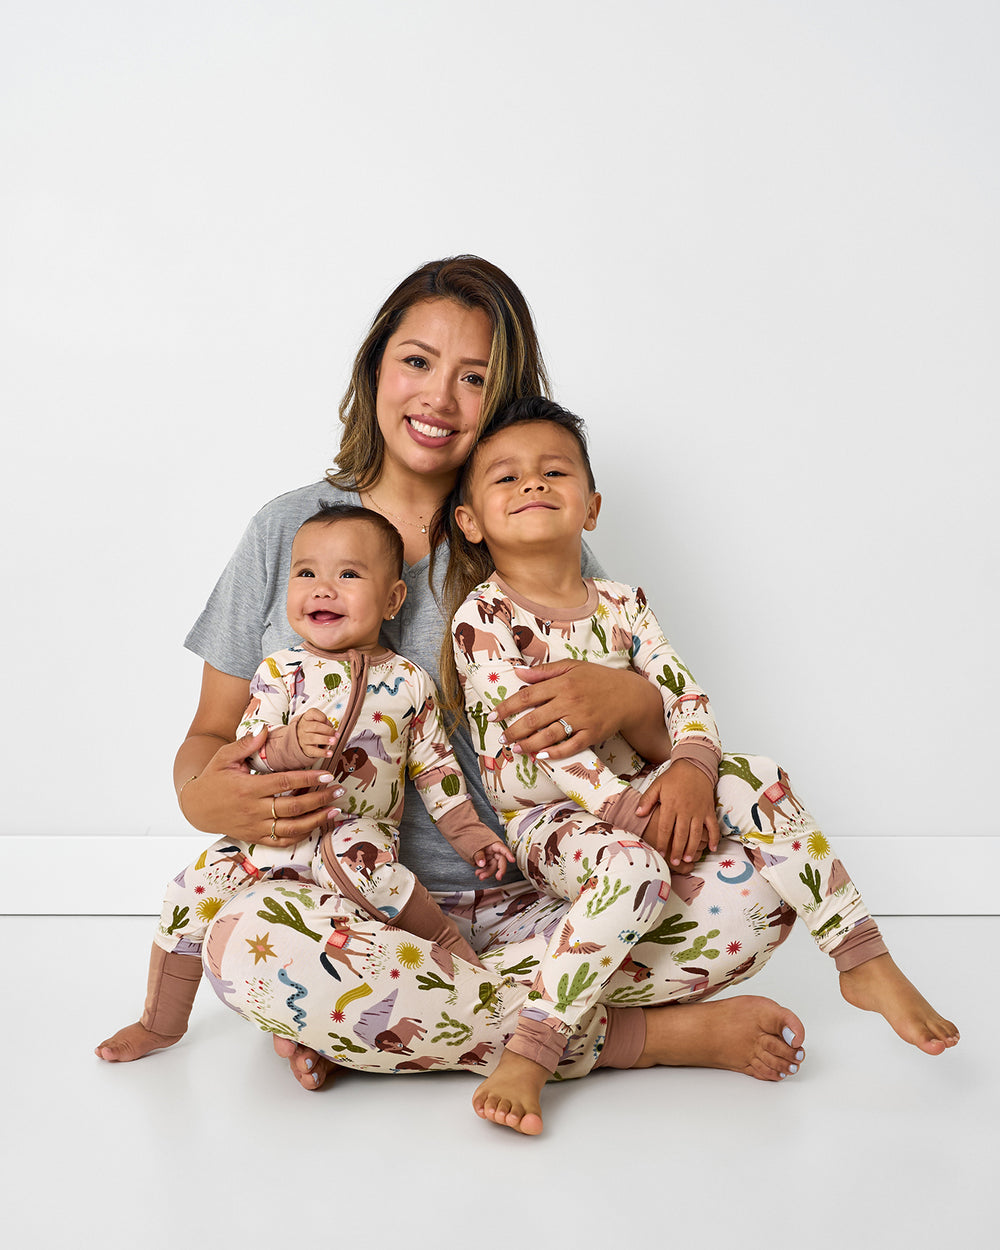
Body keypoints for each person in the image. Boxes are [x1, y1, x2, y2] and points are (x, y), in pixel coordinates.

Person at [95, 256, 958, 1138]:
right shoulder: (288, 529)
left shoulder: (531, 525)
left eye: (476, 378)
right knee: (252, 949)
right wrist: (208, 795)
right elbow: (206, 737)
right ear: (374, 367)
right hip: (352, 902)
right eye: (417, 361)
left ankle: (392, 1029)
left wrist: (627, 702)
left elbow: (654, 739)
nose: (439, 397)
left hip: (547, 896)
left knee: (765, 889)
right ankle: (638, 1036)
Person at [444, 395, 955, 1130]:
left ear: (590, 507)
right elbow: (544, 744)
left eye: (553, 472)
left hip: (639, 795)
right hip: (549, 817)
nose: (531, 485)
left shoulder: (623, 602)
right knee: (633, 869)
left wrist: (692, 767)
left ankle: (859, 955)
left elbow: (682, 693)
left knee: (759, 773)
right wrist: (630, 816)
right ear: (471, 521)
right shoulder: (482, 620)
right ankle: (533, 1047)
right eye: (506, 478)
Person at [99, 503, 514, 1057]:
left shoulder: (410, 683)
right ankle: (160, 1022)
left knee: (377, 883)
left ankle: (456, 961)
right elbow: (244, 753)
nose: (323, 589)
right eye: (306, 573)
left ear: (392, 599)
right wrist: (285, 746)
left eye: (348, 574)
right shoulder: (279, 673)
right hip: (271, 839)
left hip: (357, 837)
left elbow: (437, 769)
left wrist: (470, 836)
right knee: (188, 892)